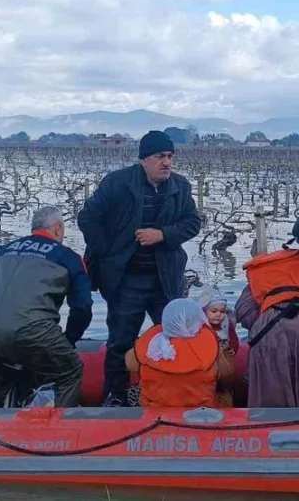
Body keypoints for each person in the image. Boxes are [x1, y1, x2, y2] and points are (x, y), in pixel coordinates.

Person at [78, 130, 202, 407]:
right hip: (126, 281)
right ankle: (115, 397)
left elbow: (193, 222)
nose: (167, 162)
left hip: (165, 279)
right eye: (160, 156)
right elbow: (88, 218)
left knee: (174, 338)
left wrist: (164, 235)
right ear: (144, 159)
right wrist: (107, 253)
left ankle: (173, 395)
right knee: (120, 341)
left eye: (170, 156)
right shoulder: (117, 183)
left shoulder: (180, 187)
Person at [0, 205, 93, 408]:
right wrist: (69, 340)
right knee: (70, 372)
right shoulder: (69, 258)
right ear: (57, 228)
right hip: (32, 331)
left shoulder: (4, 250)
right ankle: (63, 432)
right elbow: (82, 308)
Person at [235, 248, 299, 408]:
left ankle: (269, 427)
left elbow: (243, 312)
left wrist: (263, 317)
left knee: (271, 392)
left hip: (271, 327)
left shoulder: (259, 271)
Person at [124, 298, 234, 408]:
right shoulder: (210, 345)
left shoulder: (150, 344)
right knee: (225, 392)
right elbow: (226, 377)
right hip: (201, 411)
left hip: (154, 409)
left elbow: (131, 364)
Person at [195, 286, 239, 356]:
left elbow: (233, 338)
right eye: (214, 311)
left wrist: (233, 348)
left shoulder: (226, 323)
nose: (218, 314)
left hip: (224, 356)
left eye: (222, 311)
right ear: (204, 312)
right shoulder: (200, 326)